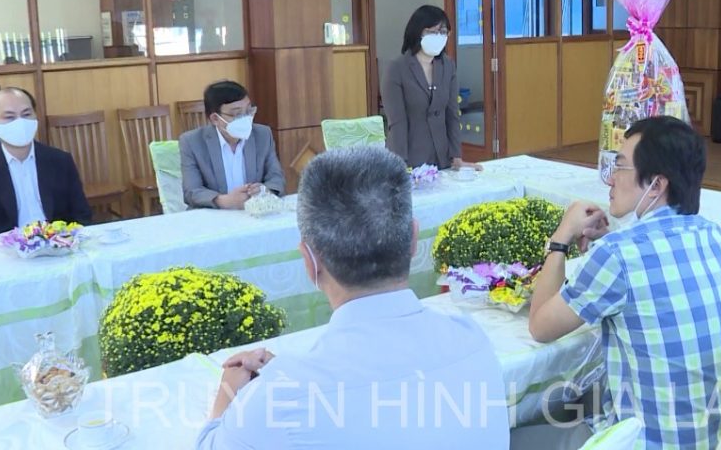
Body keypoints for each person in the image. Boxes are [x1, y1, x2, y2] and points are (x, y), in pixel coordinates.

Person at [195, 146, 510, 449]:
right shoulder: (473, 340)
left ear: (310, 261)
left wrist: (230, 391)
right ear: (414, 240)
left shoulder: (280, 399)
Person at [523, 116, 721, 450]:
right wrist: (610, 240)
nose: (610, 178)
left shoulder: (617, 254)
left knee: (512, 430)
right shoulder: (712, 235)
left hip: (649, 441)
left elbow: (540, 327)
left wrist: (561, 237)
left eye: (620, 166)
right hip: (720, 437)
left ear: (656, 185)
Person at [0, 88, 91, 241]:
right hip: (7, 252)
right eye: (9, 117)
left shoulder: (60, 161)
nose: (20, 122)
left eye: (26, 114)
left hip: (60, 246)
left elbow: (82, 216)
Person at [381, 5, 481, 170]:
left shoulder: (448, 65)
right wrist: (400, 166)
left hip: (442, 158)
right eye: (432, 32)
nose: (439, 37)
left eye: (443, 32)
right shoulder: (397, 68)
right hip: (409, 158)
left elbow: (452, 114)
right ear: (417, 32)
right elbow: (397, 122)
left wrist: (456, 157)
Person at [179, 81, 285, 209]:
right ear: (215, 119)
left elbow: (276, 178)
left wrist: (265, 191)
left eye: (248, 111)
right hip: (213, 215)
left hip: (254, 212)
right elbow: (192, 191)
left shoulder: (262, 135)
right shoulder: (192, 142)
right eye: (237, 114)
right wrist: (224, 201)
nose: (246, 118)